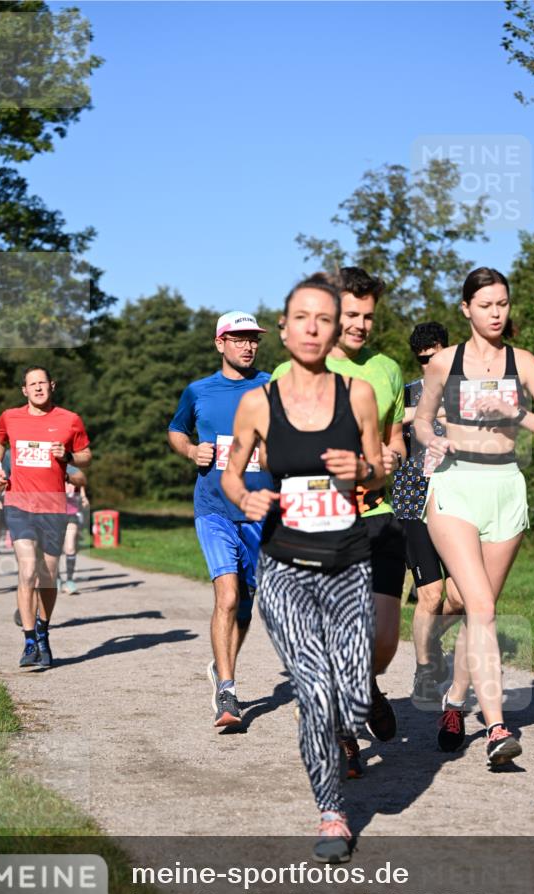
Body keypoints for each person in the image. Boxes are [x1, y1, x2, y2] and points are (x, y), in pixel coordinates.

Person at [222, 276, 385, 862]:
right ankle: (332, 812)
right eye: (301, 318)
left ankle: (351, 714)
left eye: (324, 318)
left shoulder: (357, 395)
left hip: (348, 563)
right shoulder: (257, 403)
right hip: (286, 566)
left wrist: (362, 471)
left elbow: (380, 471)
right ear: (285, 329)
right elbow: (232, 471)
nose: (312, 328)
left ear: (334, 329)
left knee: (352, 699)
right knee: (314, 690)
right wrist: (245, 497)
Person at [414, 267, 534, 765]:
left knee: (476, 609)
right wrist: (432, 438)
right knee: (482, 607)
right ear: (466, 309)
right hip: (455, 487)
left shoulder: (523, 363)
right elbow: (422, 419)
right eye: (486, 305)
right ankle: (497, 728)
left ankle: (454, 702)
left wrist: (517, 414)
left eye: (502, 303)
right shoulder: (443, 362)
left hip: (505, 489)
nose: (496, 313)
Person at [272, 267, 406, 777]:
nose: (360, 325)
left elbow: (394, 440)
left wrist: (391, 458)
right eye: (352, 314)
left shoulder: (386, 370)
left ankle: (365, 684)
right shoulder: (292, 371)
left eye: (368, 317)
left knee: (384, 640)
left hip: (378, 516)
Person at [168, 311, 274, 728]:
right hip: (213, 508)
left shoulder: (272, 386)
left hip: (259, 510)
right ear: (220, 343)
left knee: (245, 604)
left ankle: (221, 664)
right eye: (238, 338)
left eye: (253, 339)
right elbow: (176, 430)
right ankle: (227, 692)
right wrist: (191, 450)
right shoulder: (198, 391)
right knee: (227, 597)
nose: (248, 346)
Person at [0, 366, 91, 668]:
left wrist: (68, 456)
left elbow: (86, 455)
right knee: (28, 569)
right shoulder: (10, 417)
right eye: (32, 384)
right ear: (24, 390)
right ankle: (29, 640)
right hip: (19, 503)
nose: (37, 388)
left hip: (53, 506)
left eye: (42, 383)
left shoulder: (69, 419)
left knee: (48, 574)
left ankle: (44, 633)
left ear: (52, 385)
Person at [392, 322, 464, 704]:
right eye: (422, 360)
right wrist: (413, 414)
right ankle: (424, 671)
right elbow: (383, 430)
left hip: (458, 501)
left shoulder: (466, 391)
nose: (429, 365)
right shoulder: (404, 393)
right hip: (412, 502)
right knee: (431, 596)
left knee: (461, 598)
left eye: (434, 357)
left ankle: (429, 642)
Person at [61, 465, 88, 594]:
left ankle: (70, 581)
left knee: (70, 547)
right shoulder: (51, 468)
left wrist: (84, 498)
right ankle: (56, 578)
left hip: (72, 514)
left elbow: (81, 485)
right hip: (53, 515)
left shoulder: (75, 472)